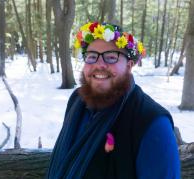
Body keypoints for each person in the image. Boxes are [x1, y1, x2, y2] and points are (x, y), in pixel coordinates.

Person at [47, 22, 180, 179]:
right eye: (91, 56)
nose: (99, 65)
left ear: (129, 66)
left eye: (111, 57)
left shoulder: (152, 123)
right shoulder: (77, 100)